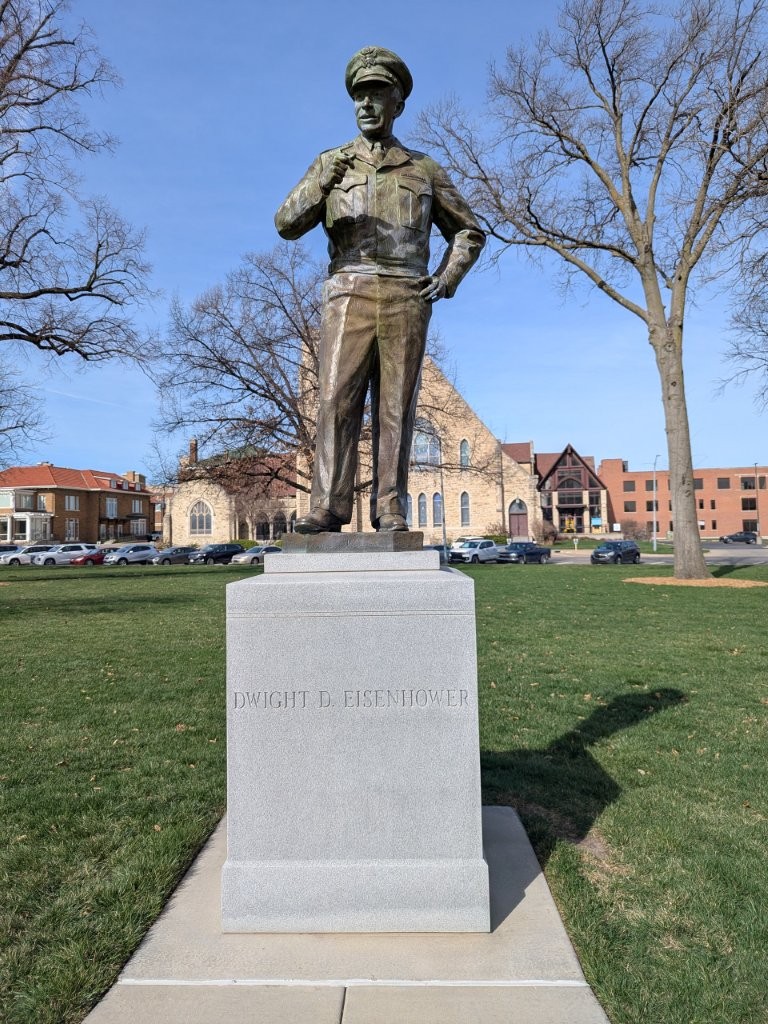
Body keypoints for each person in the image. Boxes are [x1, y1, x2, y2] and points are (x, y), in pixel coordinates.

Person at [275, 46, 485, 533]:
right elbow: (286, 223)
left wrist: (448, 278)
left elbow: (469, 231)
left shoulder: (423, 169)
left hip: (406, 292)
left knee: (396, 405)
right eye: (359, 96)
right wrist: (320, 185)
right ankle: (328, 507)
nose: (366, 105)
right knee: (334, 399)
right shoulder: (331, 163)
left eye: (376, 94)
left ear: (398, 103)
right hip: (348, 288)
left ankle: (390, 506)